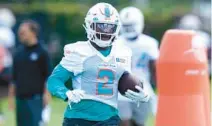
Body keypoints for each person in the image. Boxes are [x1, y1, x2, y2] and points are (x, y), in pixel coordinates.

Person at [47, 3, 150, 126]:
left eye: (110, 27)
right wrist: (66, 93)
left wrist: (141, 93)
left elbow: (125, 83)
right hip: (79, 118)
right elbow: (53, 81)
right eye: (101, 26)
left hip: (108, 118)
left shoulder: (123, 53)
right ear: (90, 26)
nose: (105, 31)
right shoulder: (78, 51)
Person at [117, 7, 159, 126]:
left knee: (139, 123)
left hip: (143, 88)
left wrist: (157, 87)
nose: (129, 28)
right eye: (126, 25)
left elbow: (154, 68)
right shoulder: (116, 43)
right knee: (124, 122)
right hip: (121, 90)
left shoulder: (150, 43)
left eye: (131, 25)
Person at [8, 20, 52, 126]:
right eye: (20, 33)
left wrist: (47, 95)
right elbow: (14, 78)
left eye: (23, 32)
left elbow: (48, 76)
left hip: (36, 99)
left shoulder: (42, 52)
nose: (20, 35)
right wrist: (11, 97)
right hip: (20, 99)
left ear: (33, 32)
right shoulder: (18, 53)